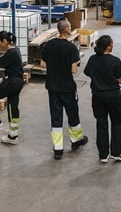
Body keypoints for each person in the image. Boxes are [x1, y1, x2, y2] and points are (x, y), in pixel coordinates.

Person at [40, 19, 88, 160]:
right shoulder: (71, 48)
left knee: (56, 117)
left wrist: (54, 67)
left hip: (52, 87)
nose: (71, 28)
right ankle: (76, 140)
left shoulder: (49, 45)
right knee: (72, 113)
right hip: (67, 88)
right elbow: (74, 70)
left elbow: (43, 64)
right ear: (66, 29)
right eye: (70, 26)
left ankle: (58, 149)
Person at [83, 35, 121, 163]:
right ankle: (116, 152)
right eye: (112, 44)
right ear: (108, 47)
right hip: (114, 97)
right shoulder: (115, 61)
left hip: (98, 96)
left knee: (101, 123)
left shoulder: (92, 60)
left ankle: (103, 155)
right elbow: (120, 80)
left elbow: (88, 73)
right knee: (117, 122)